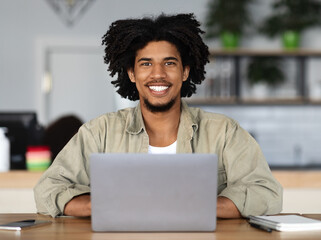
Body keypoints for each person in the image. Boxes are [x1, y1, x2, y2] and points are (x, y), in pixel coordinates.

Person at [34, 13, 282, 218]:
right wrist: (102, 206)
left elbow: (266, 194)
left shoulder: (224, 131)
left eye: (169, 63)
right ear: (132, 73)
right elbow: (48, 189)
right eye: (146, 64)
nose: (158, 74)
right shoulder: (99, 132)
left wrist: (195, 208)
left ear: (185, 72)